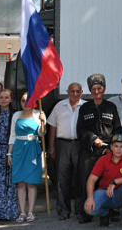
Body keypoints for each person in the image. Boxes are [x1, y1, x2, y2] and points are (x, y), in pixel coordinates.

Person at [77, 74, 122, 224]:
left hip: (108, 151)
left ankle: (111, 211)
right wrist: (92, 139)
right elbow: (80, 130)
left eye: (99, 88)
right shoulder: (84, 108)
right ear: (90, 90)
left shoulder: (111, 107)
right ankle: (87, 212)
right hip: (89, 151)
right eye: (94, 89)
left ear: (104, 89)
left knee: (108, 182)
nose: (97, 91)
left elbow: (117, 129)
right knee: (87, 181)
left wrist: (112, 148)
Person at [47, 82, 86, 220]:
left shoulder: (86, 106)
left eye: (77, 91)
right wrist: (51, 147)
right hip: (62, 144)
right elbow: (52, 127)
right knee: (62, 179)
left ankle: (80, 210)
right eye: (72, 91)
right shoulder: (59, 106)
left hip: (79, 145)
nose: (75, 94)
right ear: (67, 91)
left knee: (80, 178)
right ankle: (63, 211)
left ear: (82, 92)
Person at [84, 134, 122, 229]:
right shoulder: (103, 159)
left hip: (121, 194)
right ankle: (104, 213)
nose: (119, 149)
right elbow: (91, 180)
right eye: (116, 146)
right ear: (111, 147)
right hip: (105, 192)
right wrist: (90, 198)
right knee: (89, 209)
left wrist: (114, 182)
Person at [7, 92, 47, 223]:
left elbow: (42, 134)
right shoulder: (16, 115)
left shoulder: (38, 114)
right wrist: (9, 153)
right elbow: (12, 135)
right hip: (18, 149)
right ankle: (22, 212)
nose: (25, 103)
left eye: (28, 100)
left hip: (32, 149)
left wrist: (43, 122)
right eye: (23, 100)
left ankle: (31, 211)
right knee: (20, 183)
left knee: (31, 183)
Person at [0, 89, 18, 221]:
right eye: (1, 97)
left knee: (10, 181)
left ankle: (9, 211)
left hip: (11, 149)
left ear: (11, 99)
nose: (4, 100)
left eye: (6, 97)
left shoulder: (15, 115)